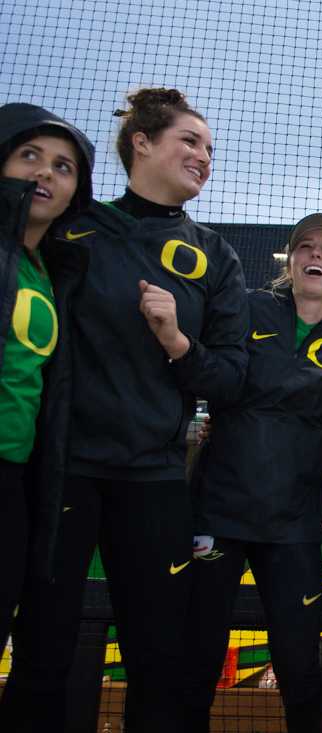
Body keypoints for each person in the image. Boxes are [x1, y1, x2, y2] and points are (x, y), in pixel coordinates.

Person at [0, 88, 248, 732]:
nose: (204, 156)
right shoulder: (70, 229)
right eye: (190, 141)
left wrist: (176, 343)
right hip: (62, 472)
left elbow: (229, 379)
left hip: (156, 479)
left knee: (159, 658)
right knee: (43, 648)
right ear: (140, 142)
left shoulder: (216, 257)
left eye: (211, 150)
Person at [182, 213, 322, 732]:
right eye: (306, 246)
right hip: (216, 510)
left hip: (292, 526)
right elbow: (206, 374)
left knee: (299, 665)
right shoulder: (247, 310)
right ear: (290, 260)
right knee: (195, 659)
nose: (316, 256)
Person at [0, 103, 94, 650]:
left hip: (16, 479)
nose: (44, 173)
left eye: (63, 166)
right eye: (29, 155)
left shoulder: (51, 270)